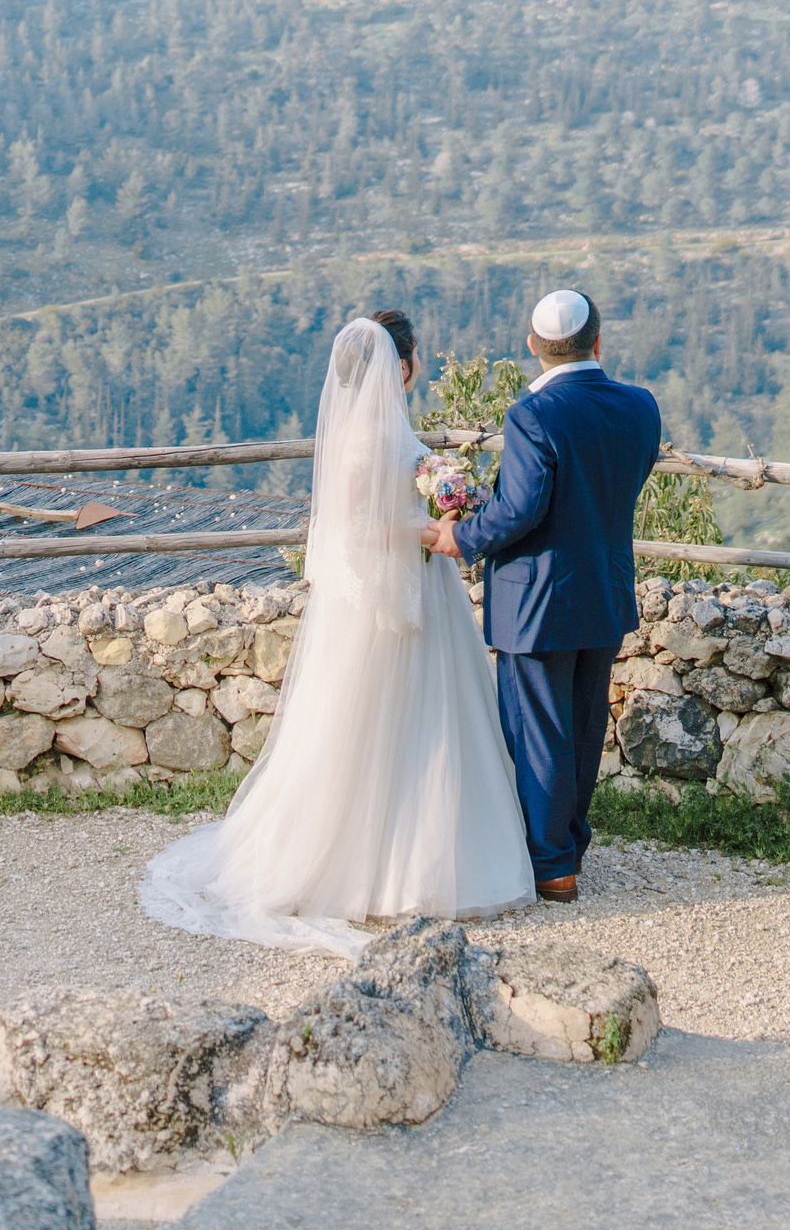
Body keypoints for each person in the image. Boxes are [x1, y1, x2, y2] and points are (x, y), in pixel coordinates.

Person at [140, 311, 536, 956]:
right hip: (391, 590)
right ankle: (389, 869)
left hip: (415, 588)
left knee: (420, 719)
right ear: (401, 367)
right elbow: (357, 530)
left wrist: (439, 504)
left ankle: (408, 862)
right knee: (387, 720)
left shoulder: (375, 433)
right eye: (415, 361)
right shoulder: (365, 442)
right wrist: (430, 529)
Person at [430, 290, 661, 903]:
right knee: (584, 728)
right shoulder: (641, 407)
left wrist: (462, 535)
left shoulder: (533, 415)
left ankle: (549, 863)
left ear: (533, 348)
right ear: (599, 342)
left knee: (539, 732)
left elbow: (524, 509)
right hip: (604, 590)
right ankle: (571, 847)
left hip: (536, 599)